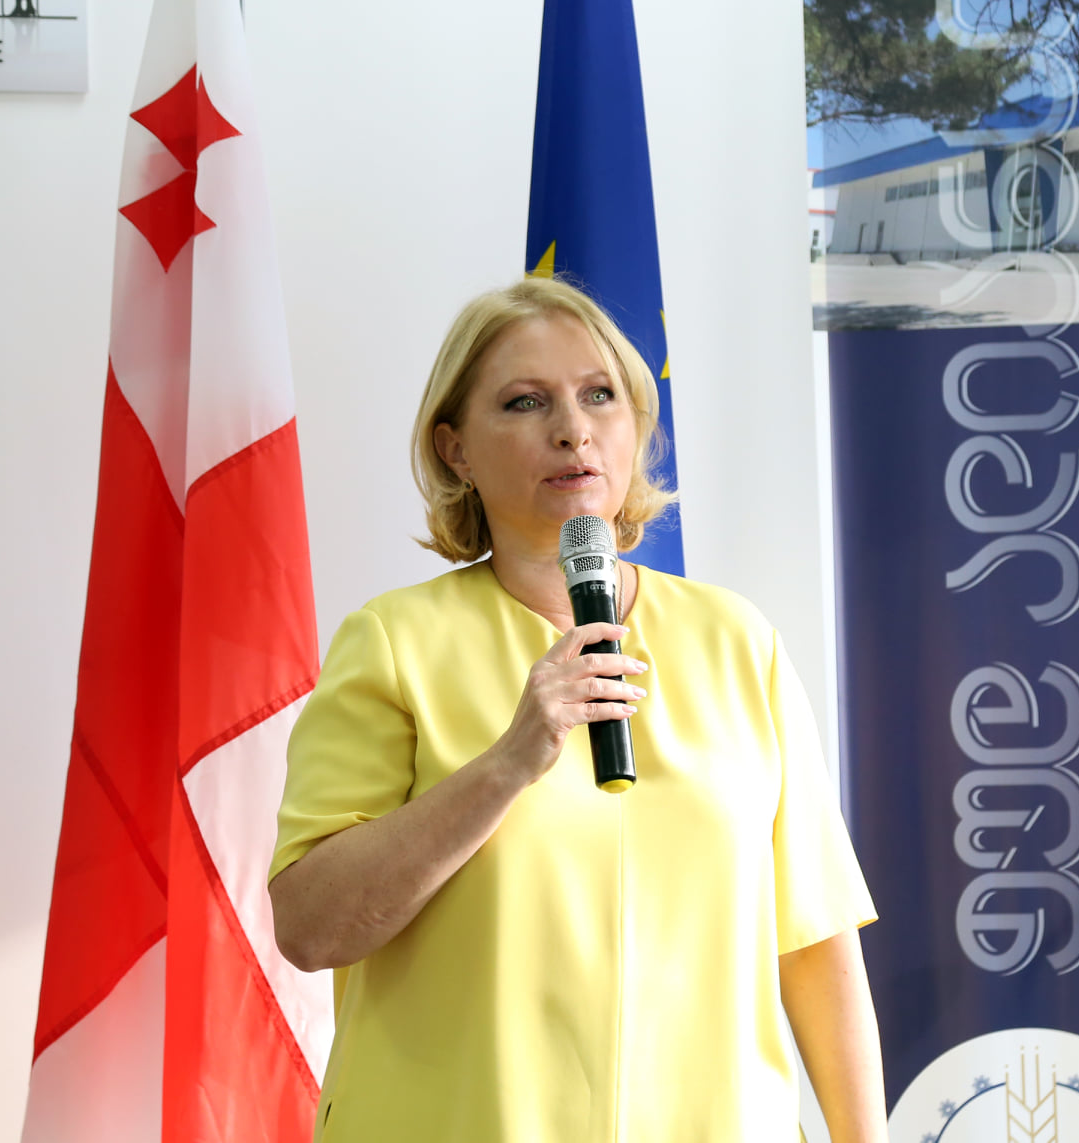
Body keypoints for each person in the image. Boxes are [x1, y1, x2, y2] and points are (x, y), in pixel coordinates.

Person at [268, 277, 886, 1142]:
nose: (572, 428)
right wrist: (506, 764)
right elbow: (310, 925)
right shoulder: (394, 642)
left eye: (599, 395)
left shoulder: (738, 640)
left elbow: (814, 945)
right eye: (525, 402)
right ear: (455, 449)